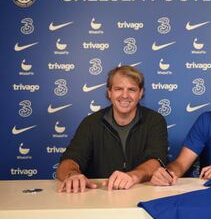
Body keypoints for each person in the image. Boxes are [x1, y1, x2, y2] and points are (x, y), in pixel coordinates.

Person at [57, 65, 168, 193]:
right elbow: (68, 161)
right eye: (118, 89)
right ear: (109, 93)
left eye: (131, 89)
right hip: (99, 196)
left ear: (140, 93)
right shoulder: (91, 123)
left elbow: (156, 160)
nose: (125, 95)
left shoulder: (154, 120)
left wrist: (133, 176)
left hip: (140, 193)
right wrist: (72, 175)